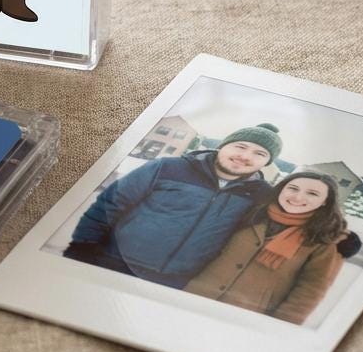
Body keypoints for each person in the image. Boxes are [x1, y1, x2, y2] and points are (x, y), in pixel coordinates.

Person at [63, 123, 281, 288]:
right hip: (110, 261)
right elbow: (109, 204)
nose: (245, 156)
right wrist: (82, 245)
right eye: (240, 146)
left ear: (267, 163)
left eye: (259, 154)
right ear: (223, 146)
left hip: (176, 281)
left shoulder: (260, 196)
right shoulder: (168, 167)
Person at [184, 171, 346, 324]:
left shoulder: (326, 239)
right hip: (196, 298)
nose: (298, 197)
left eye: (312, 193)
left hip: (246, 317)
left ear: (325, 201)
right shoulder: (253, 213)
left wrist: (278, 327)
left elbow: (310, 291)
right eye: (293, 188)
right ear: (281, 189)